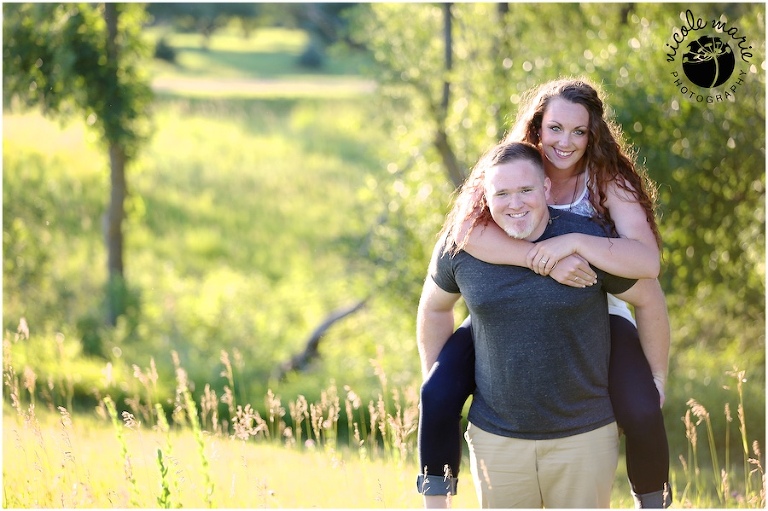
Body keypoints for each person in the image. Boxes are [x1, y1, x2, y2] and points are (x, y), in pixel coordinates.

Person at [416, 78, 671, 508]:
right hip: (504, 307)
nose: (564, 142)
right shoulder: (513, 164)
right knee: (436, 393)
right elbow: (464, 232)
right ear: (538, 126)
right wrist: (539, 256)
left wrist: (572, 245)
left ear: (594, 134)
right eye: (555, 128)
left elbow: (647, 265)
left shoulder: (608, 179)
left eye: (578, 131)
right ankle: (435, 496)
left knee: (644, 408)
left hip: (597, 300)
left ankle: (653, 499)